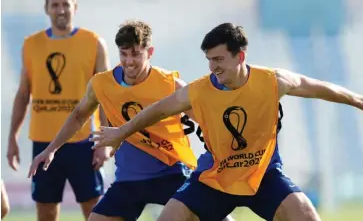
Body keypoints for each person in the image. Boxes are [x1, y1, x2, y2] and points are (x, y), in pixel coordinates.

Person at [90, 22, 363, 221]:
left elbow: (316, 86)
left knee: (306, 215)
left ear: (240, 56)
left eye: (219, 60)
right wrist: (121, 132)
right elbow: (156, 110)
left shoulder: (272, 80)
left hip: (262, 175)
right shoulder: (199, 90)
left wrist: (360, 101)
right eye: (209, 60)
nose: (213, 67)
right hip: (216, 177)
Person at [28, 20, 235, 221]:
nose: (128, 61)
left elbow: (206, 122)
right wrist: (51, 149)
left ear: (150, 52)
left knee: (214, 214)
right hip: (129, 180)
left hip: (171, 173)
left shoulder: (170, 85)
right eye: (123, 54)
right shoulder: (102, 84)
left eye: (136, 54)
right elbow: (79, 116)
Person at [7, 0, 111, 221]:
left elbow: (105, 96)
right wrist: (12, 137)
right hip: (43, 142)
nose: (60, 9)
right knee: (46, 211)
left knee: (95, 211)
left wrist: (105, 142)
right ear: (46, 9)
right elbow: (23, 94)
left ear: (75, 7)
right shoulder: (31, 44)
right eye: (55, 5)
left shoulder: (94, 43)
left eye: (66, 4)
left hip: (83, 141)